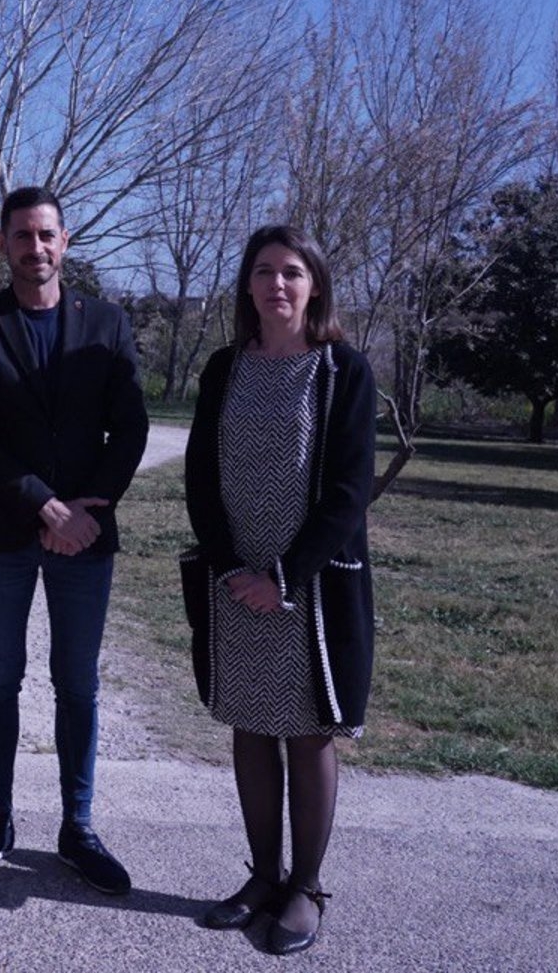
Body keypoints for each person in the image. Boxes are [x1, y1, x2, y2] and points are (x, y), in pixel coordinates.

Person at [0, 185, 148, 892]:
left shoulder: (109, 323)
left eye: (47, 235)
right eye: (22, 236)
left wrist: (86, 508)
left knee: (78, 683)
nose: (36, 248)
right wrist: (45, 506)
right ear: (3, 243)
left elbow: (131, 428)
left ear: (66, 242)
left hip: (86, 534)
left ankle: (78, 827)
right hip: (3, 530)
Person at [182, 224, 377, 956]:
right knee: (250, 723)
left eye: (291, 272)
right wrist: (234, 568)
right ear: (248, 288)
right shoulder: (224, 368)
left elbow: (349, 492)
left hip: (310, 589)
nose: (277, 285)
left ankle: (306, 886)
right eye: (263, 272)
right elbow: (201, 475)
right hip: (237, 582)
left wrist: (285, 576)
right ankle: (263, 875)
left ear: (315, 284)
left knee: (306, 729)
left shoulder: (342, 371)